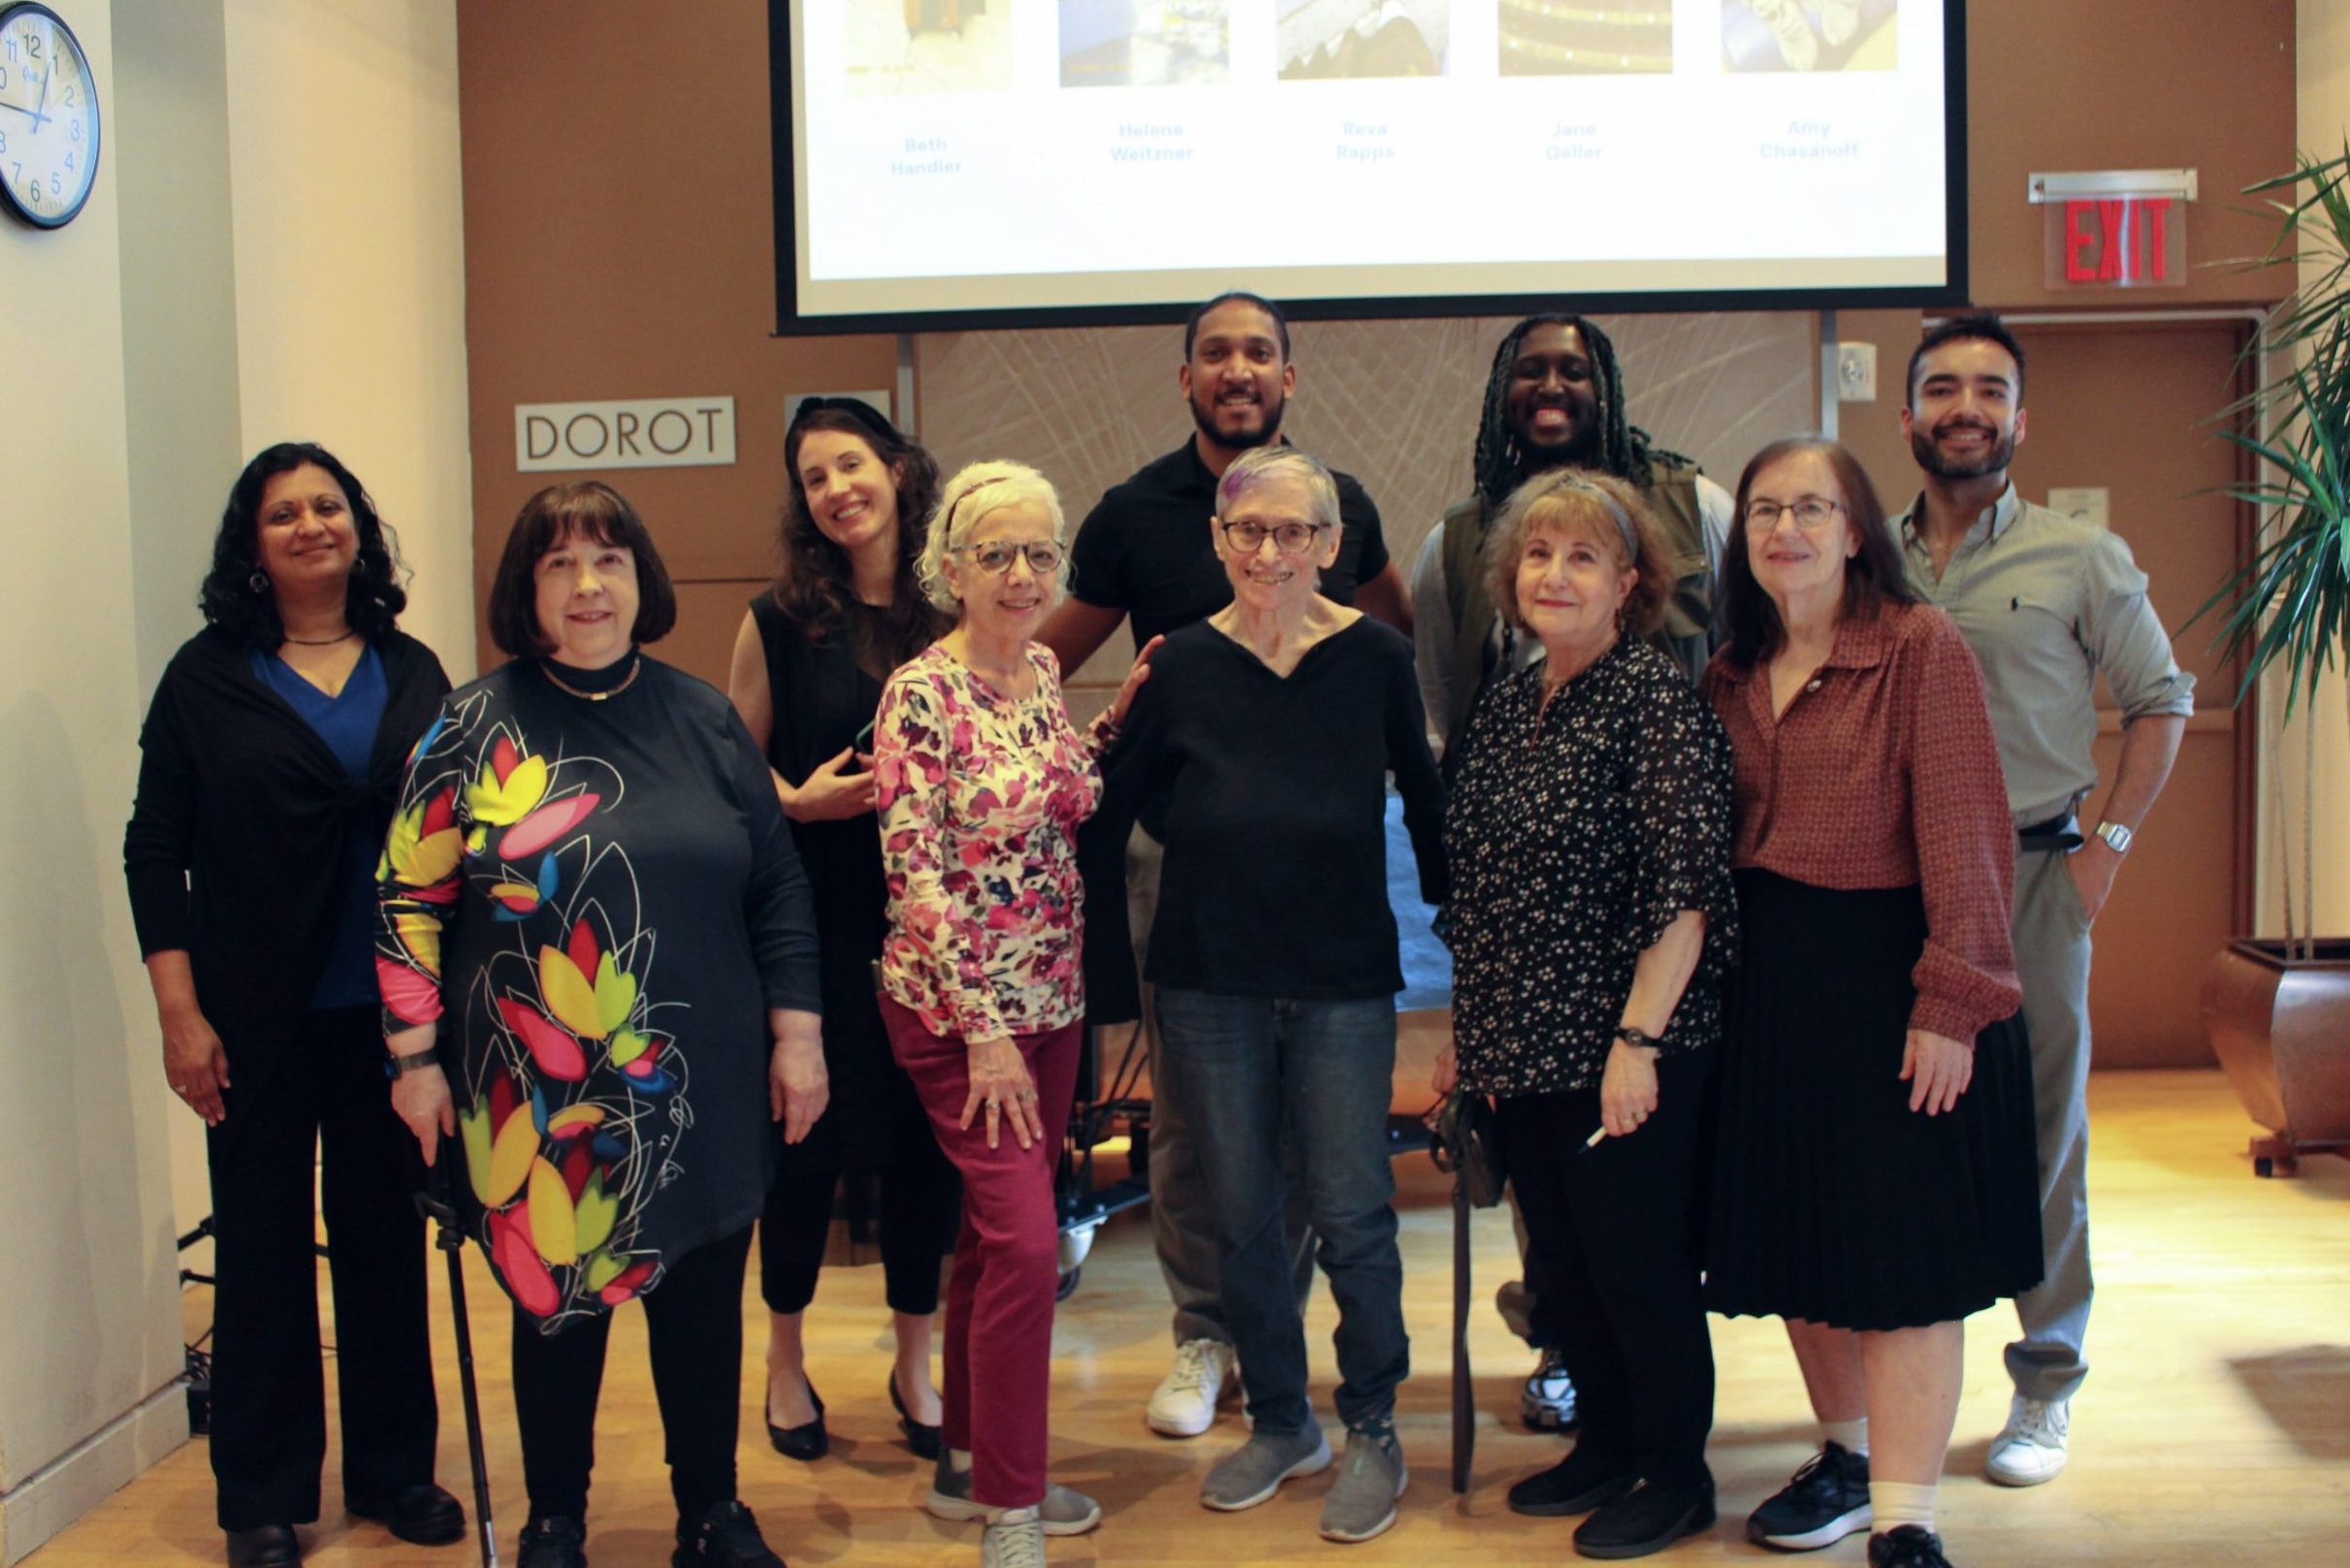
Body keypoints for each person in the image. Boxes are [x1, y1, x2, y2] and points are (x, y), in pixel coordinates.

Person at [378, 482, 825, 1568]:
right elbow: (407, 899)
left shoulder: (705, 718)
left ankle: (709, 1513)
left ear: (641, 580)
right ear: (526, 591)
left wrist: (798, 1033)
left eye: (610, 560)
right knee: (557, 1311)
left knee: (702, 1309)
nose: (588, 586)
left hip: (701, 1076)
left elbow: (775, 886)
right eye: (559, 564)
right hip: (535, 1087)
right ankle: (555, 1519)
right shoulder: (471, 725)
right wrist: (413, 1059)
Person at [1039, 288, 1410, 1441]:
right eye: (1215, 354)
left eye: (1258, 352)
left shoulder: (1333, 506)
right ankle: (1206, 1333)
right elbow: (1042, 659)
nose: (1237, 369)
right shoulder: (1130, 514)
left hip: (1321, 886)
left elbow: (1397, 652)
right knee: (1200, 1130)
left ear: (1288, 378)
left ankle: (1276, 1341)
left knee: (1315, 1137)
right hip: (1183, 868)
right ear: (1185, 377)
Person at [1085, 446, 1444, 1546]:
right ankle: (1284, 1421)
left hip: (1339, 979)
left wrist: (1472, 967)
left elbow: (1428, 814)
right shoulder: (1179, 666)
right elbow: (1106, 818)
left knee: (1347, 1208)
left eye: (1294, 532)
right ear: (1217, 543)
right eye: (1248, 531)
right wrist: (1103, 980)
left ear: (1331, 547)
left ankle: (1373, 1426)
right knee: (1236, 1210)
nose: (1270, 552)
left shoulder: (1378, 659)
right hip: (1206, 981)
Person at [1703, 438, 2044, 1568]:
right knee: (1805, 1249)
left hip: (1893, 991)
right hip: (1769, 998)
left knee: (1903, 1267)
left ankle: (1906, 1520)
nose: (1783, 528)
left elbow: (1964, 833)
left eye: (1811, 507)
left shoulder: (1916, 646)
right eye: (1762, 509)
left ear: (1857, 531)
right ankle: (1845, 1458)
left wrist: (1951, 1003)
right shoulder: (1728, 668)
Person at [124, 442, 461, 1568]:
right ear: (252, 546)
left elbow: (462, 836)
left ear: (357, 528)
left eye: (328, 506)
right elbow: (153, 849)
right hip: (251, 1018)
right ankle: (261, 1496)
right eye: (283, 514)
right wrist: (179, 1013)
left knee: (384, 1245)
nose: (310, 525)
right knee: (263, 1252)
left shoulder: (414, 670)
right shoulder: (205, 677)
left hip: (391, 1019)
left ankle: (394, 1472)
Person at [1408, 309, 1734, 1434]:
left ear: (1628, 581)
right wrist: (1477, 1026)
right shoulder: (1505, 705)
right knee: (1567, 1270)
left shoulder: (1655, 700)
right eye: (1536, 556)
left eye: (1581, 557)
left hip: (1622, 1043)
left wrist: (1636, 1044)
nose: (1553, 575)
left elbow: (1684, 893)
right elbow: (1480, 879)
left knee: (1637, 1265)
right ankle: (1600, 1449)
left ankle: (1668, 1472)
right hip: (1528, 1042)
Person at [1893, 314, 2193, 1487]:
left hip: (2029, 879)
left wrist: (2105, 848)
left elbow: (2162, 700)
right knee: (1903, 1134)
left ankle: (2044, 1384)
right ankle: (1903, 1386)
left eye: (1987, 390)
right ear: (1908, 412)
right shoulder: (1863, 552)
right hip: (1889, 891)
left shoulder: (2081, 558)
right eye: (1940, 388)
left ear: (2019, 419)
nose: (1962, 407)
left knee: (2037, 1138)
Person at [875, 461, 1155, 1567]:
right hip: (957, 1016)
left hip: (1052, 996)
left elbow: (1055, 795)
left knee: (998, 1239)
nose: (1022, 572)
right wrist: (983, 1028)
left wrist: (1113, 721)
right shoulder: (917, 694)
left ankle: (964, 1463)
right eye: (994, 552)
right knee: (1031, 1244)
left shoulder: (1042, 669)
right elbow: (918, 875)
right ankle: (1010, 1507)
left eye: (1040, 551)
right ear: (949, 569)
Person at [726, 397, 960, 1464]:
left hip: (938, 927)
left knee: (924, 1151)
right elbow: (730, 780)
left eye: (850, 465)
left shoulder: (960, 607)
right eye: (814, 477)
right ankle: (783, 1358)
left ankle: (915, 1360)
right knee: (803, 1150)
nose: (835, 491)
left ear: (901, 471)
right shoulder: (777, 620)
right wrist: (801, 803)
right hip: (814, 918)